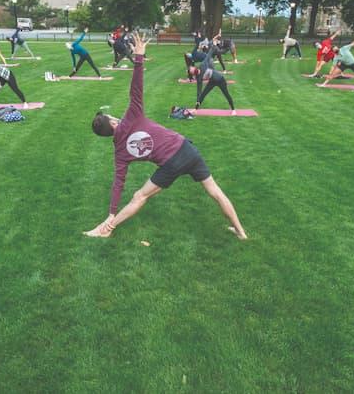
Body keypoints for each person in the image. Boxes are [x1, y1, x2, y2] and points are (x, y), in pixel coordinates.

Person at [85, 31, 248, 240]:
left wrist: (111, 211)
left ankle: (107, 227)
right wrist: (139, 57)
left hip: (171, 161)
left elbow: (118, 183)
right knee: (215, 191)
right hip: (187, 149)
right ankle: (241, 232)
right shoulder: (132, 116)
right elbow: (136, 88)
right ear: (114, 122)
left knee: (139, 196)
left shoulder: (120, 153)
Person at [192, 40, 236, 114]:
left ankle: (233, 110)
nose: (192, 69)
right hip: (212, 81)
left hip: (220, 80)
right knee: (203, 94)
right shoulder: (199, 78)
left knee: (226, 94)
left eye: (192, 69)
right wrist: (197, 101)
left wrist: (214, 45)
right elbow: (199, 91)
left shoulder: (203, 65)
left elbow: (209, 54)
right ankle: (196, 109)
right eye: (192, 71)